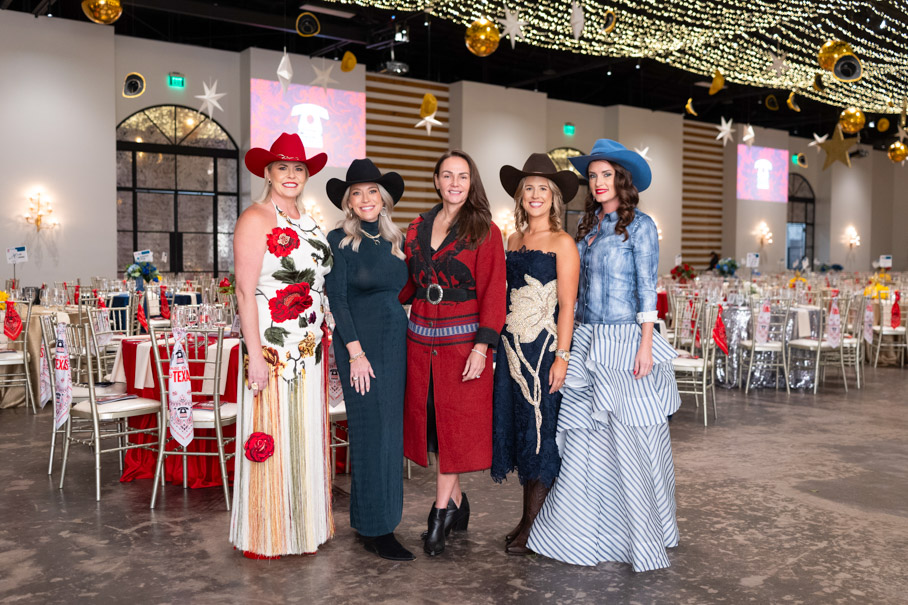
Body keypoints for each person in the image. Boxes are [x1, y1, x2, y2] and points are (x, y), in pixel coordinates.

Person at [527, 139, 682, 572]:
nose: (597, 183)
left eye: (605, 175)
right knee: (586, 443)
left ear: (622, 179)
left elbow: (647, 287)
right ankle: (583, 533)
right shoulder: (589, 227)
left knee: (633, 442)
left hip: (626, 342)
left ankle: (641, 534)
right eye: (592, 176)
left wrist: (646, 344)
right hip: (588, 342)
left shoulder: (642, 226)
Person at [229, 133, 334, 558]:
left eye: (298, 168)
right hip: (272, 350)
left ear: (306, 175)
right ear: (268, 173)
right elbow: (243, 291)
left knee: (303, 436)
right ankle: (268, 532)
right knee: (273, 434)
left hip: (309, 350)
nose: (291, 175)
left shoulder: (309, 220)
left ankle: (303, 528)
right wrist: (255, 355)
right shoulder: (255, 217)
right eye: (282, 167)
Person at [399, 150, 506, 556]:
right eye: (447, 175)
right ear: (437, 180)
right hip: (420, 340)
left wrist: (483, 346)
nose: (455, 183)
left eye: (462, 176)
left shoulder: (485, 230)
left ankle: (440, 512)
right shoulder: (416, 227)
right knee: (434, 429)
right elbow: (408, 284)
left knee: (454, 430)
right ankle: (459, 505)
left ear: (471, 181)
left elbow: (496, 291)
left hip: (464, 346)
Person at [323, 159, 413, 562]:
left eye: (372, 191)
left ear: (383, 198)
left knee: (389, 432)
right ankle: (379, 529)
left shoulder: (396, 240)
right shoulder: (338, 239)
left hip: (396, 341)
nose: (365, 199)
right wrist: (355, 354)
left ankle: (374, 521)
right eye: (356, 193)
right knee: (371, 431)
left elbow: (404, 292)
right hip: (360, 346)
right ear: (348, 201)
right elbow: (337, 300)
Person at [491, 153, 580, 555]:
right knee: (524, 431)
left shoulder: (563, 242)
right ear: (519, 196)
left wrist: (562, 356)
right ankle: (527, 518)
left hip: (543, 349)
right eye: (528, 187)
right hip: (512, 348)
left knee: (541, 433)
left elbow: (567, 305)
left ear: (555, 197)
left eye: (543, 188)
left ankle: (534, 526)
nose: (535, 194)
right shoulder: (513, 239)